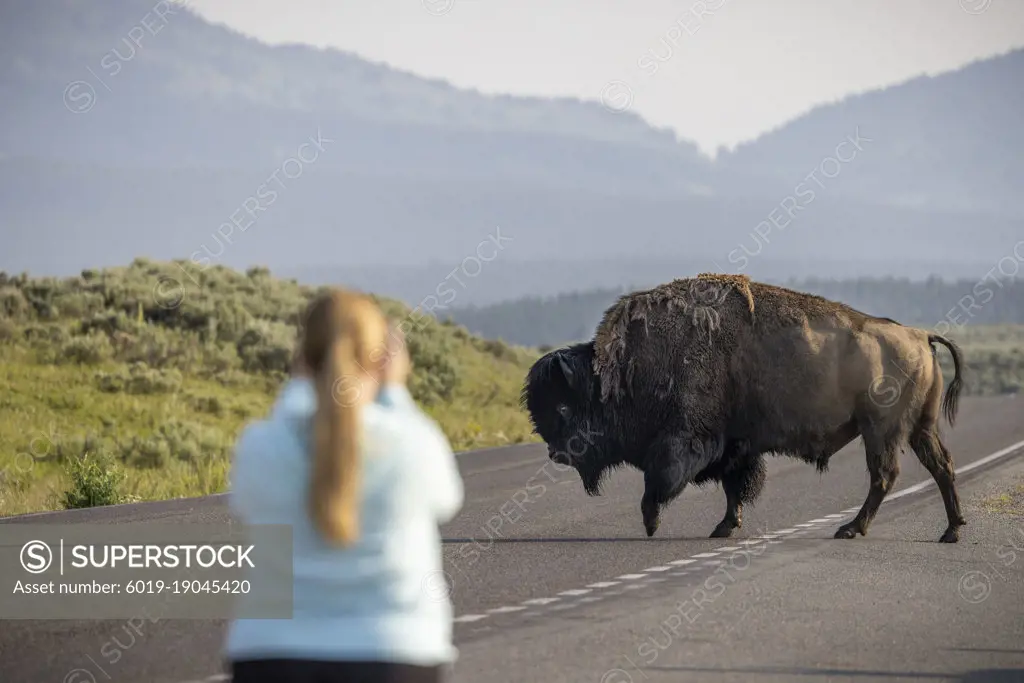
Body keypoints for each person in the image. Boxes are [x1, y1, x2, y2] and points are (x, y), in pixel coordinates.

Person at [224, 288, 464, 683]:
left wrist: (299, 386)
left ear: (303, 359)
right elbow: (447, 499)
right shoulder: (414, 443)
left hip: (271, 655)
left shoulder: (260, 445)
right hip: (393, 654)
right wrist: (396, 395)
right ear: (382, 363)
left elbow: (245, 502)